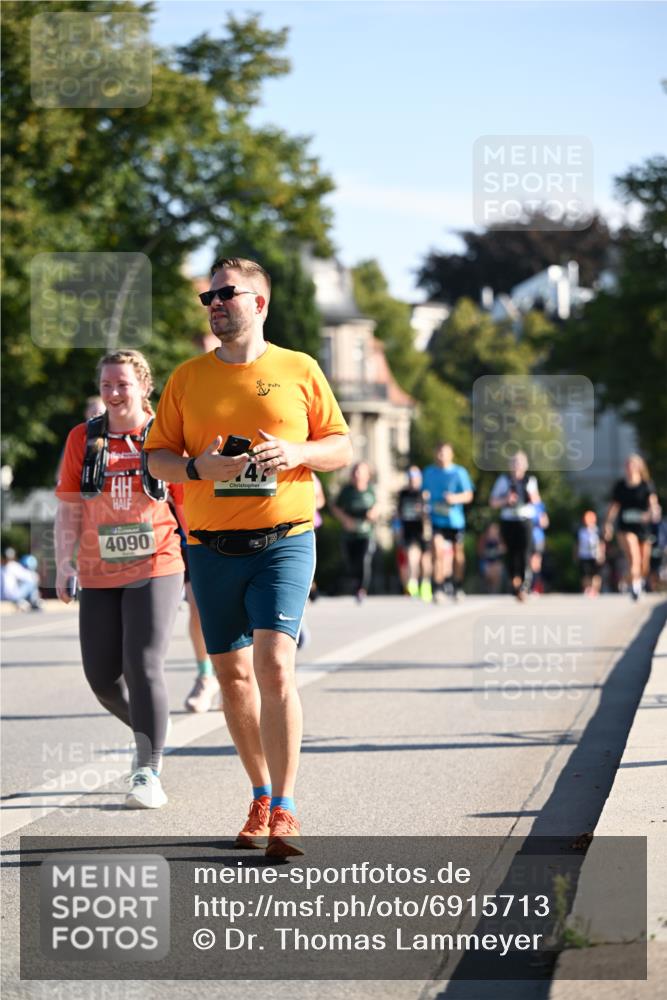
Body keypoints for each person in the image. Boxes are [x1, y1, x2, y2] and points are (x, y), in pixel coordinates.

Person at [144, 256, 351, 857]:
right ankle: (259, 792)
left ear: (258, 303)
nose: (214, 303)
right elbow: (155, 458)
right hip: (210, 549)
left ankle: (285, 808)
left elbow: (339, 445)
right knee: (233, 678)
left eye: (226, 294)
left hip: (283, 540)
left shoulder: (299, 369)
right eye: (208, 296)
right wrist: (194, 468)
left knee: (275, 666)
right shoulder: (187, 378)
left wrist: (297, 452)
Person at [55, 350, 185, 809]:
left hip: (158, 562)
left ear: (143, 387)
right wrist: (64, 564)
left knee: (143, 663)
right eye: (107, 384)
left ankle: (148, 769)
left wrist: (201, 561)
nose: (113, 393)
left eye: (123, 384)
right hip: (97, 567)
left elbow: (186, 502)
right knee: (101, 677)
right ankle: (155, 729)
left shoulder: (163, 435)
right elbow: (69, 506)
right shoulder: (83, 439)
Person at [422, 443, 474, 602]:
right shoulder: (429, 472)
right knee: (437, 551)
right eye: (438, 453)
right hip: (437, 519)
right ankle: (438, 588)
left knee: (457, 555)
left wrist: (454, 498)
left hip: (455, 521)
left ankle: (457, 585)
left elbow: (469, 495)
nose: (441, 456)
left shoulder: (459, 472)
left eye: (444, 453)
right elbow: (424, 493)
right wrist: (423, 505)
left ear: (451, 455)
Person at [604, 454, 660, 601]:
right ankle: (635, 586)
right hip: (625, 527)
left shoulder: (646, 485)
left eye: (632, 465)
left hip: (643, 527)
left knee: (643, 563)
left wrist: (653, 512)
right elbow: (613, 506)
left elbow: (652, 503)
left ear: (639, 467)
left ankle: (634, 579)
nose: (629, 468)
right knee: (633, 556)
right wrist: (607, 524)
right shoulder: (620, 486)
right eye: (627, 465)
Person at [489, 451, 541, 601]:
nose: (516, 466)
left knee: (525, 552)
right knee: (511, 553)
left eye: (519, 463)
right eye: (514, 462)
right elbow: (493, 502)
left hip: (525, 520)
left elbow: (537, 501)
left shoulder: (530, 480)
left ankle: (525, 585)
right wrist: (506, 500)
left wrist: (531, 497)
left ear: (525, 465)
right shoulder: (503, 480)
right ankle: (515, 584)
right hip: (508, 520)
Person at [332, 462, 379, 602]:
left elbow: (378, 506)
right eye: (355, 471)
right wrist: (345, 519)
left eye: (360, 471)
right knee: (352, 562)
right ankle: (354, 584)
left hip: (366, 533)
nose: (357, 474)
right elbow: (335, 507)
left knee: (364, 559)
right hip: (350, 533)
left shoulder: (371, 490)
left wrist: (373, 514)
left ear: (367, 475)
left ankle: (361, 589)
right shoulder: (347, 491)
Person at [395, 466, 432, 601]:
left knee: (425, 560)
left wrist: (423, 509)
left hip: (423, 530)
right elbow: (398, 513)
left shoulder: (424, 493)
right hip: (409, 530)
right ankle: (413, 583)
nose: (413, 481)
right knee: (412, 557)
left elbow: (429, 513)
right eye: (411, 478)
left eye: (415, 478)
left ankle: (426, 584)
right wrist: (397, 528)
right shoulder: (403, 494)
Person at [576, 510, 605, 597]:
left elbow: (601, 543)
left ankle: (595, 590)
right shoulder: (580, 531)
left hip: (595, 555)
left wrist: (602, 554)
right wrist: (576, 555)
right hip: (584, 555)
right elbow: (577, 544)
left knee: (596, 574)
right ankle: (587, 589)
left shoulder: (597, 530)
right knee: (585, 574)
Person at [476, 523, 505, 594]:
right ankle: (489, 589)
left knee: (497, 568)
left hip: (496, 562)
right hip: (485, 562)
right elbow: (480, 553)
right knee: (489, 570)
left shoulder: (499, 539)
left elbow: (503, 550)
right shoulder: (483, 538)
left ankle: (494, 591)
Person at [530, 500, 549, 594]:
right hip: (525, 537)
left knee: (536, 563)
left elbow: (545, 523)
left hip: (538, 538)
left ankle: (535, 586)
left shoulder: (539, 506)